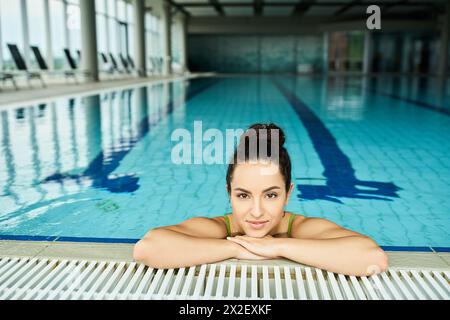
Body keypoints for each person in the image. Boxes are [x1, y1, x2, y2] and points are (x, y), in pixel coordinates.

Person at [133, 123, 388, 276]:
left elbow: (371, 258)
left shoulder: (299, 229)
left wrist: (277, 247)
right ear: (228, 193)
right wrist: (237, 248)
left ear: (288, 194)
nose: (256, 212)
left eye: (271, 195)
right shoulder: (220, 228)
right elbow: (147, 248)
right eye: (243, 195)